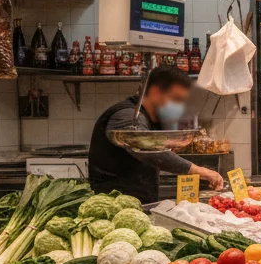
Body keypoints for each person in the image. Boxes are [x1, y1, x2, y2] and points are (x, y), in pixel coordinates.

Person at [89, 64, 224, 203]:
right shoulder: (127, 115)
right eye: (176, 99)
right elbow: (146, 149)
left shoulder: (152, 118)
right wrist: (198, 170)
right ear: (155, 92)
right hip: (114, 204)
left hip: (138, 202)